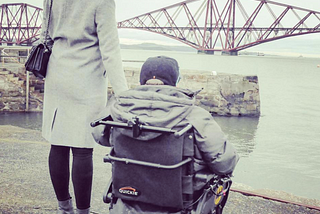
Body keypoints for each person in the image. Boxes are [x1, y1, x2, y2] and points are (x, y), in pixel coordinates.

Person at [92, 56, 239, 213]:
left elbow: (99, 134)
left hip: (127, 201)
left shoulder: (118, 108)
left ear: (141, 82)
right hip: (180, 205)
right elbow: (225, 163)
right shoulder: (195, 115)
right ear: (175, 82)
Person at [39, 0, 128, 213]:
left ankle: (64, 207)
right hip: (87, 79)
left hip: (57, 73)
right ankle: (82, 211)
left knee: (58, 144)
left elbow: (46, 34)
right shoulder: (102, 2)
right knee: (82, 150)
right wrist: (124, 95)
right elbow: (110, 50)